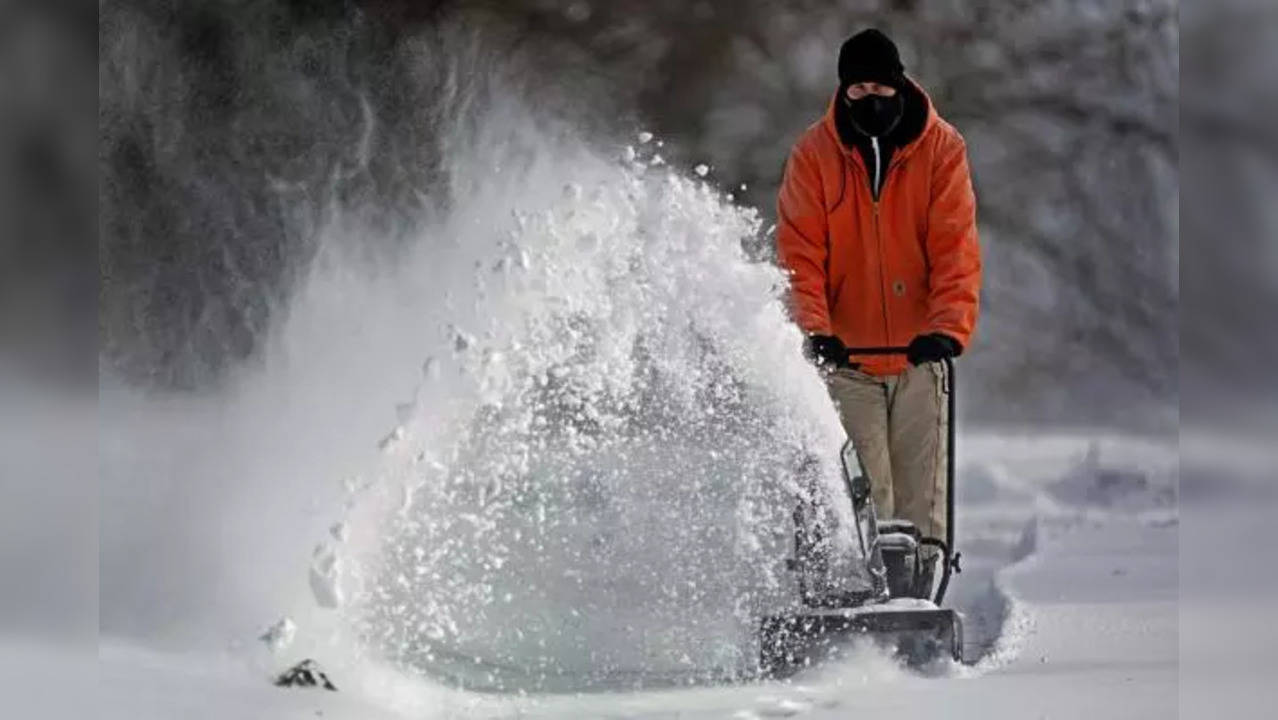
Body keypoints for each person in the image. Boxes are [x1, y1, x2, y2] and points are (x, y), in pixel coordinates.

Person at [776, 28, 981, 587]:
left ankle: (919, 589)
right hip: (848, 359)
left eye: (880, 87)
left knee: (919, 492)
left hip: (919, 355)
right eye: (858, 88)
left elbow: (955, 250)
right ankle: (860, 590)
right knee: (864, 489)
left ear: (900, 84)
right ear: (843, 92)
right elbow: (801, 257)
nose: (871, 99)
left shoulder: (942, 150)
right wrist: (815, 331)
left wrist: (947, 328)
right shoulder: (814, 156)